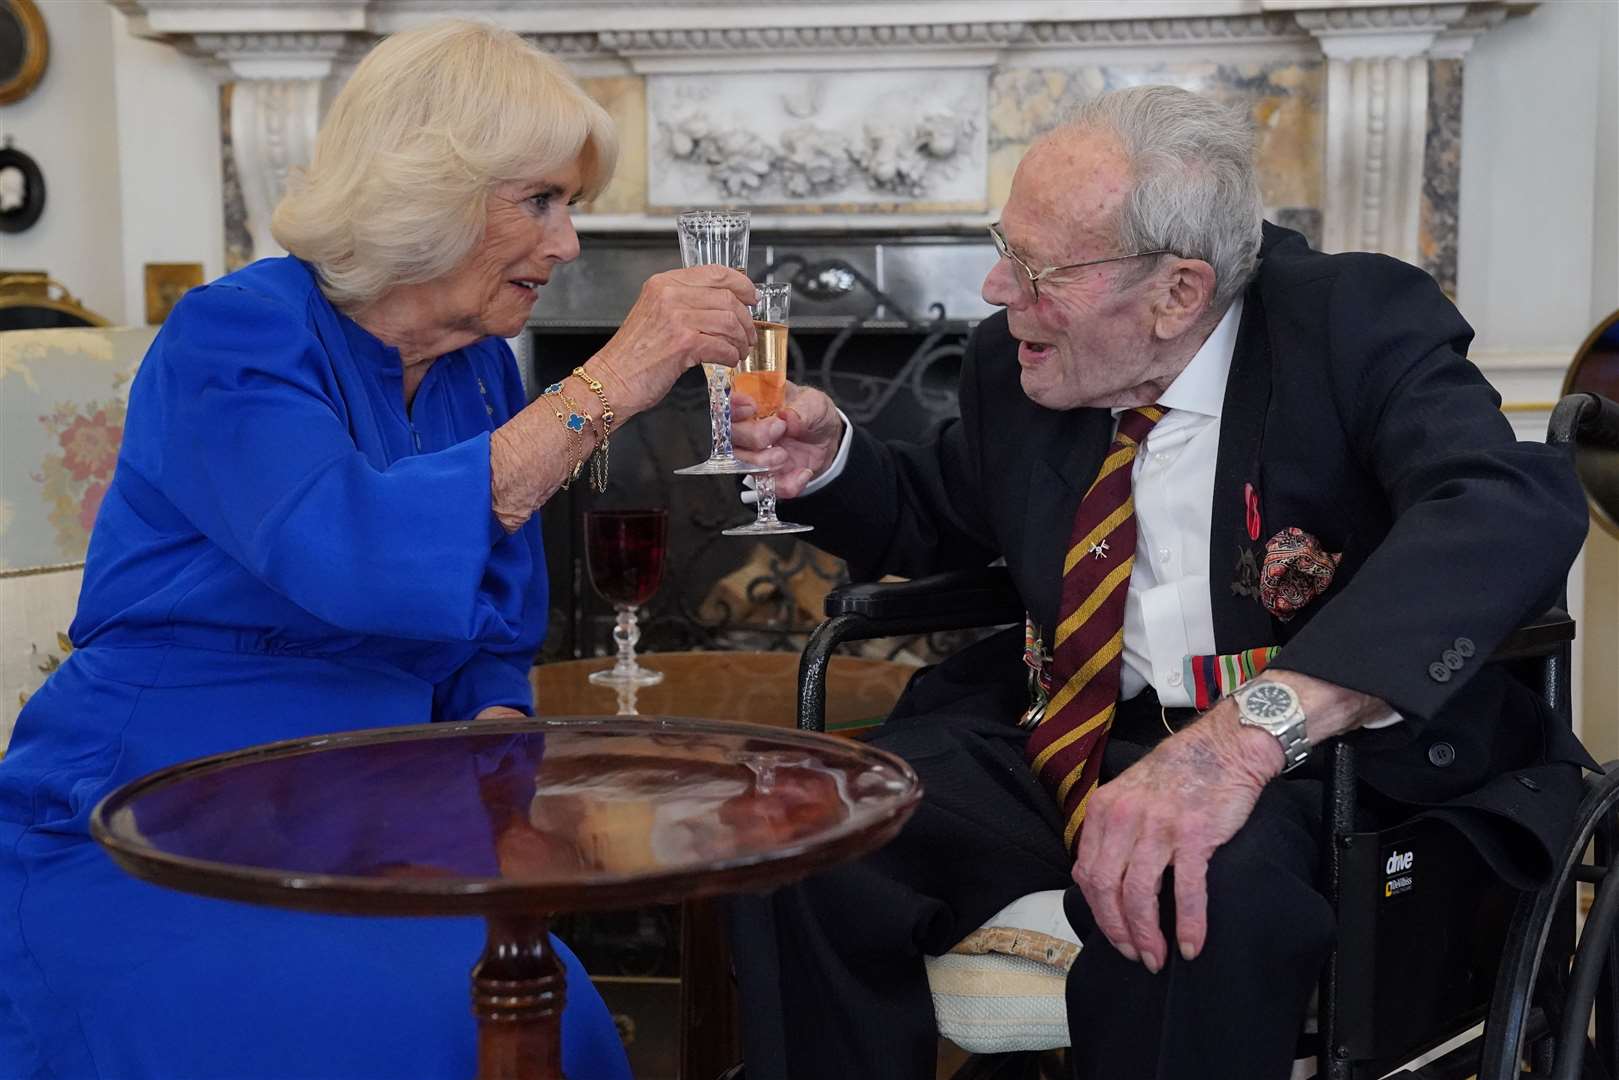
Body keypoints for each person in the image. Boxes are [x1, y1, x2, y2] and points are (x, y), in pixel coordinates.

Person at [725, 85, 1595, 1080]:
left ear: (1179, 291)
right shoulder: (1020, 363)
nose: (995, 290)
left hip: (1324, 762)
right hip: (1082, 737)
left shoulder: (1347, 322)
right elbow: (943, 512)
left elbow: (1501, 507)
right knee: (804, 828)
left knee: (1186, 894)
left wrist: (1245, 736)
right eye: (1001, 244)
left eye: (1036, 267)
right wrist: (827, 457)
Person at [0, 20, 756, 1080]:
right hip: (162, 798)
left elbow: (493, 636)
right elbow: (345, 552)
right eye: (540, 201)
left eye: (571, 206)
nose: (569, 244)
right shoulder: (234, 336)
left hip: (382, 798)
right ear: (432, 192)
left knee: (557, 1020)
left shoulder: (479, 374)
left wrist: (504, 790)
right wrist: (620, 377)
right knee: (394, 1033)